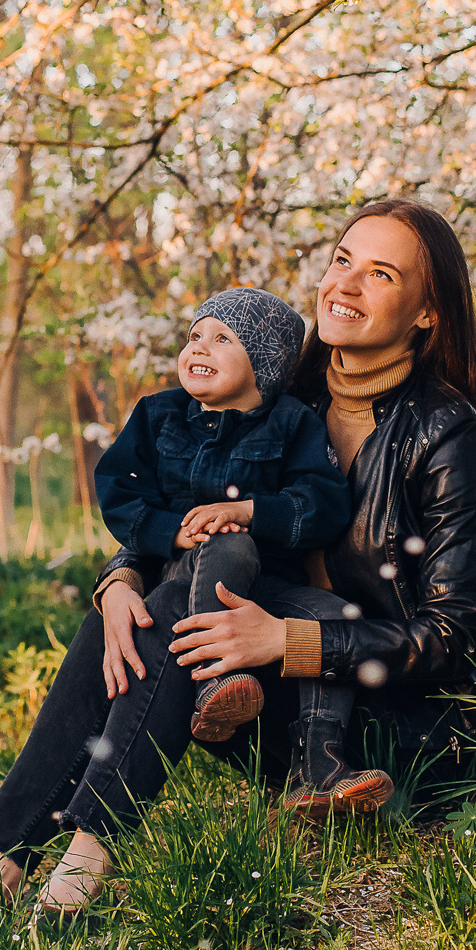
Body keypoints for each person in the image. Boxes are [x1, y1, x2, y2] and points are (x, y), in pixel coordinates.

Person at [0, 199, 476, 922]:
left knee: (175, 605)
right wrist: (120, 578)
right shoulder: (280, 395)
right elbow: (188, 496)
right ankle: (19, 863)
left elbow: (455, 642)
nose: (346, 286)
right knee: (143, 604)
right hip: (274, 711)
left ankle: (51, 867)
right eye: (341, 261)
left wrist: (286, 641)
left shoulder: (443, 435)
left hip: (392, 734)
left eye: (381, 274)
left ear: (427, 311)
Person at [92, 289, 372, 803]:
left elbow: (324, 502)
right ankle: (212, 684)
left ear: (264, 365)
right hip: (183, 576)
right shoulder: (158, 416)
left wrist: (250, 510)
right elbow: (118, 487)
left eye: (222, 339)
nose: (199, 347)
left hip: (262, 592)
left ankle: (319, 764)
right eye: (195, 335)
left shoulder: (292, 424)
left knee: (336, 617)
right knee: (231, 547)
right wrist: (170, 530)